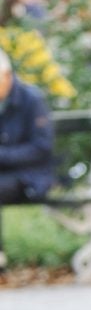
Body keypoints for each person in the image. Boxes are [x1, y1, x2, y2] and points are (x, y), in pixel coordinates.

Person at [0, 49, 56, 204]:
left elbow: (41, 148)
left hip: (29, 176)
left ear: (7, 75)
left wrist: (3, 155)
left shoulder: (32, 100)